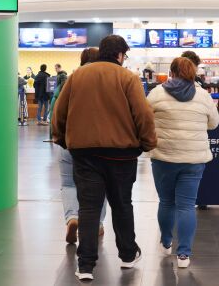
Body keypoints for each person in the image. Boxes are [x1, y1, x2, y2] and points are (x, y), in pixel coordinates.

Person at [52, 35, 156, 281]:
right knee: (122, 205)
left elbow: (60, 112)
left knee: (88, 208)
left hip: (85, 155)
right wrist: (147, 143)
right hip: (122, 156)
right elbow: (143, 114)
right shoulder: (128, 78)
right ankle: (128, 255)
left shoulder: (78, 75)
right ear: (120, 55)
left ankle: (85, 265)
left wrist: (63, 139)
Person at [147, 57, 219, 268]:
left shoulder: (157, 93)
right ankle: (184, 255)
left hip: (164, 157)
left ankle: (166, 241)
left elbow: (145, 119)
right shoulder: (203, 95)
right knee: (187, 205)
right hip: (193, 158)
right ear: (193, 73)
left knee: (166, 202)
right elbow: (213, 123)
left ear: (171, 72)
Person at [57, 47, 107, 244]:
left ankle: (72, 217)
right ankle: (97, 225)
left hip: (71, 140)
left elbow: (58, 110)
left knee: (69, 184)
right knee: (101, 185)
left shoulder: (71, 79)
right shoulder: (108, 80)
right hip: (100, 142)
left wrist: (60, 137)